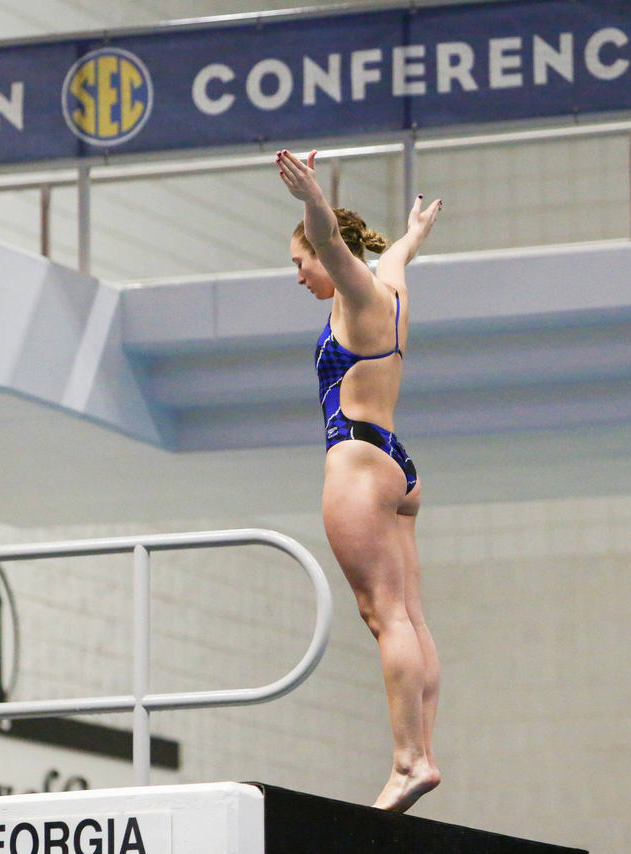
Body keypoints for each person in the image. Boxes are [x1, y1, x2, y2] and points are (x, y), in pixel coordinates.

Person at [277, 149, 443, 812]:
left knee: (384, 616)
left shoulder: (357, 292)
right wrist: (414, 232)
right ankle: (422, 752)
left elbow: (325, 235)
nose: (299, 276)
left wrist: (312, 197)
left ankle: (408, 760)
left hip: (356, 461)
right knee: (410, 615)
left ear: (329, 255)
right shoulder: (391, 288)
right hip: (398, 466)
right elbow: (397, 254)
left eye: (299, 264)